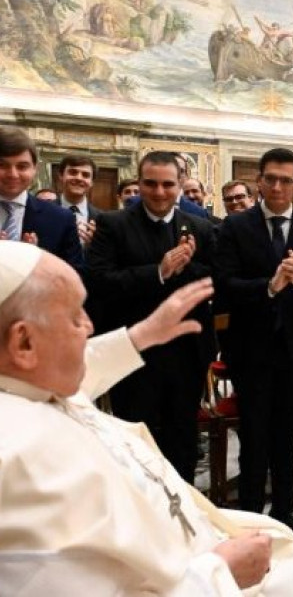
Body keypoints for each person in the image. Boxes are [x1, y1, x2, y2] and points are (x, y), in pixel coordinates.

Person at [0, 240, 293, 596]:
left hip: (188, 539)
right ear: (24, 343)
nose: (90, 326)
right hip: (190, 579)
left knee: (284, 543)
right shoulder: (19, 463)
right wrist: (219, 571)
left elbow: (71, 369)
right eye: (76, 315)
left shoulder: (24, 382)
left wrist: (141, 335)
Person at [215, 148, 293, 536]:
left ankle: (286, 508)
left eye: (286, 180)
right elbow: (225, 286)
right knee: (253, 434)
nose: (277, 186)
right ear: (259, 181)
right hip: (250, 348)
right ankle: (250, 514)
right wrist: (269, 286)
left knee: (287, 433)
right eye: (270, 178)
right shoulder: (235, 227)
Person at [86, 151, 216, 482]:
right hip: (133, 352)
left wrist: (183, 268)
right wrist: (158, 271)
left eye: (168, 185)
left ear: (179, 185)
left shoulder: (200, 226)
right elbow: (99, 281)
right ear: (140, 183)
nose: (159, 192)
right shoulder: (113, 224)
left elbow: (215, 279)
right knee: (135, 437)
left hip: (187, 351)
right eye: (151, 184)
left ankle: (185, 509)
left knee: (182, 435)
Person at [0, 127, 83, 271]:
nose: (12, 174)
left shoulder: (61, 219)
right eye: (2, 165)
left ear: (34, 169)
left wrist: (36, 262)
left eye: (22, 166)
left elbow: (74, 277)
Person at [56, 154, 100, 247]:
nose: (79, 178)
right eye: (73, 172)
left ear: (92, 182)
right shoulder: (43, 212)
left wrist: (96, 245)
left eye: (85, 175)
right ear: (61, 176)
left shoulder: (101, 219)